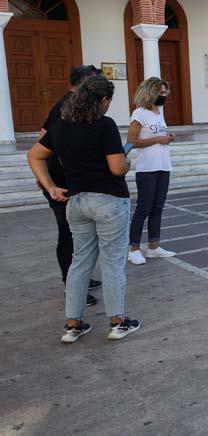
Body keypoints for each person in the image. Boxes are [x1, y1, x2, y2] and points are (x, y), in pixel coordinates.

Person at [27, 75, 141, 343]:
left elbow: (34, 155)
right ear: (102, 100)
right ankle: (118, 321)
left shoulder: (61, 126)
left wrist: (51, 186)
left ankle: (73, 324)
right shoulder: (104, 125)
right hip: (108, 200)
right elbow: (116, 168)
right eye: (108, 101)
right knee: (112, 262)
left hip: (76, 202)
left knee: (80, 263)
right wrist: (126, 163)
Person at [38, 65, 101, 307]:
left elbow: (42, 135)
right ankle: (72, 286)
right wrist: (47, 179)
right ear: (85, 83)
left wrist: (43, 173)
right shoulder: (68, 106)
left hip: (66, 181)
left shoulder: (67, 103)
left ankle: (81, 278)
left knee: (80, 236)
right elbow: (44, 142)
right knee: (69, 235)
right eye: (96, 83)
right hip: (62, 186)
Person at [127, 78, 176, 265]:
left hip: (164, 166)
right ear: (150, 92)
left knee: (158, 207)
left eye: (165, 93)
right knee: (143, 208)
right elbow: (131, 142)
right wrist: (157, 140)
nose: (164, 96)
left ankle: (154, 246)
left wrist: (167, 137)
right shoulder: (140, 113)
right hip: (147, 168)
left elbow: (158, 136)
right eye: (161, 93)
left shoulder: (158, 112)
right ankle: (134, 249)